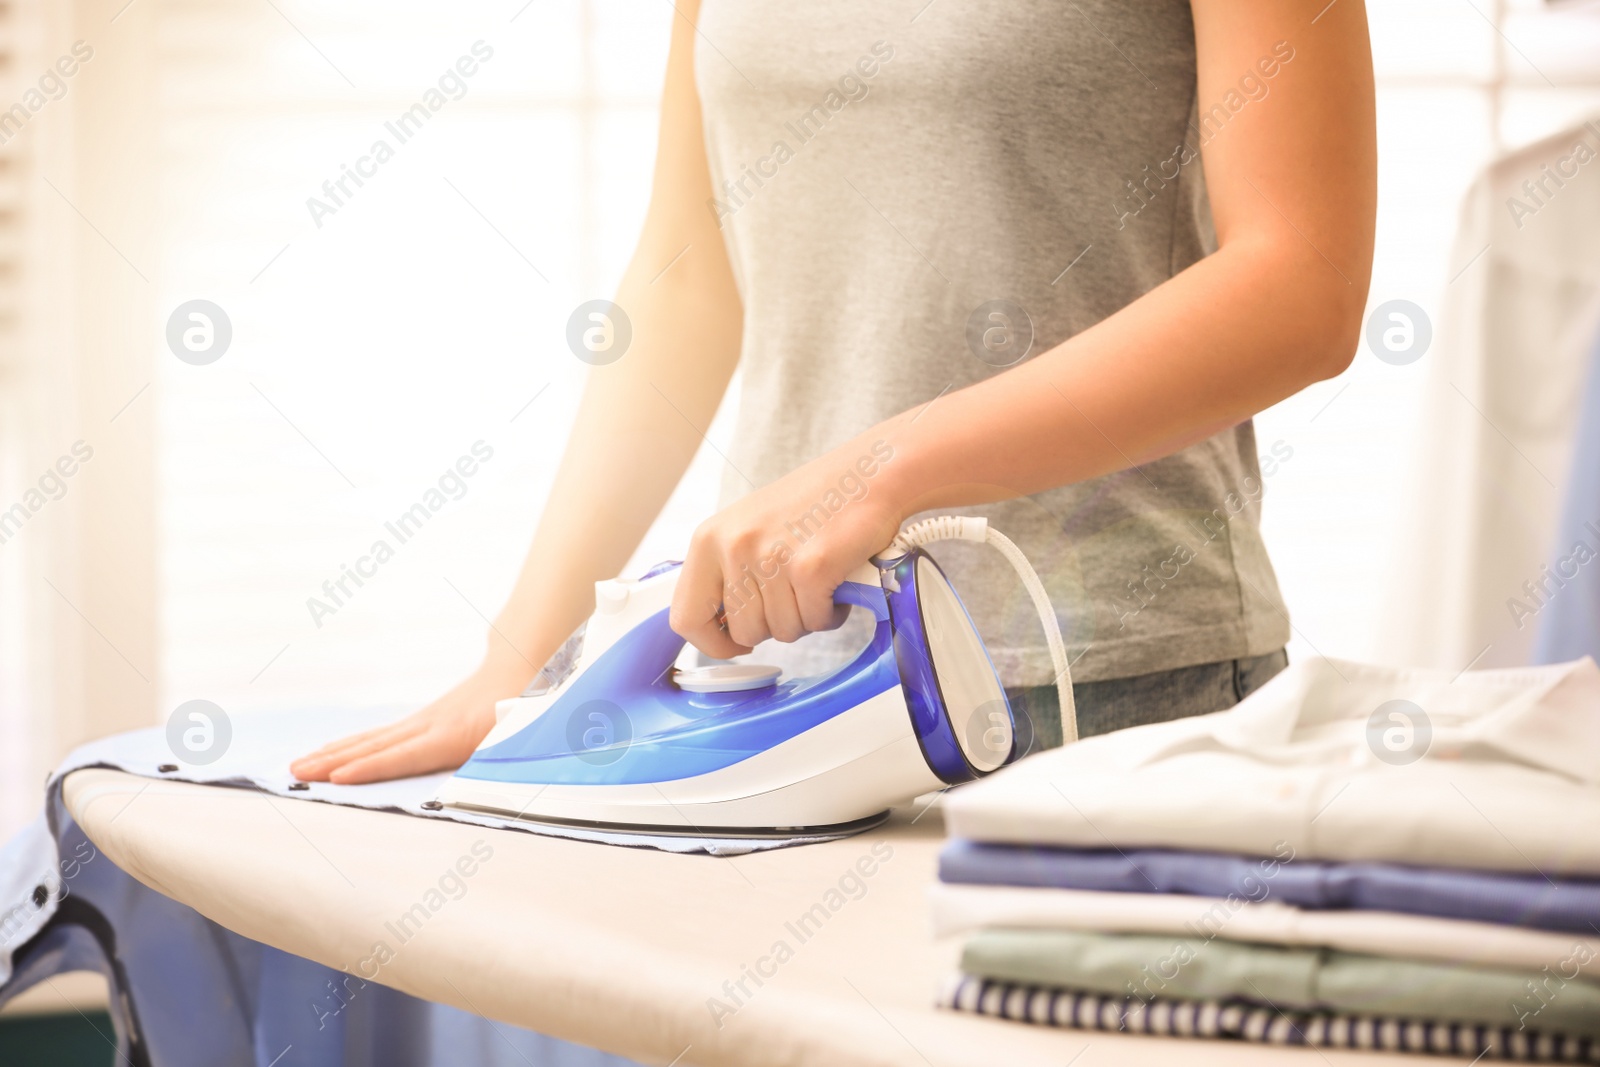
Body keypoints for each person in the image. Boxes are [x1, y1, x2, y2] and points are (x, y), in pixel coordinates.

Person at [291, 0, 1375, 784]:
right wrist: (521, 657)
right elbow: (687, 277)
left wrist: (881, 473)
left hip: (1109, 685)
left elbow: (1300, 288)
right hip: (789, 675)